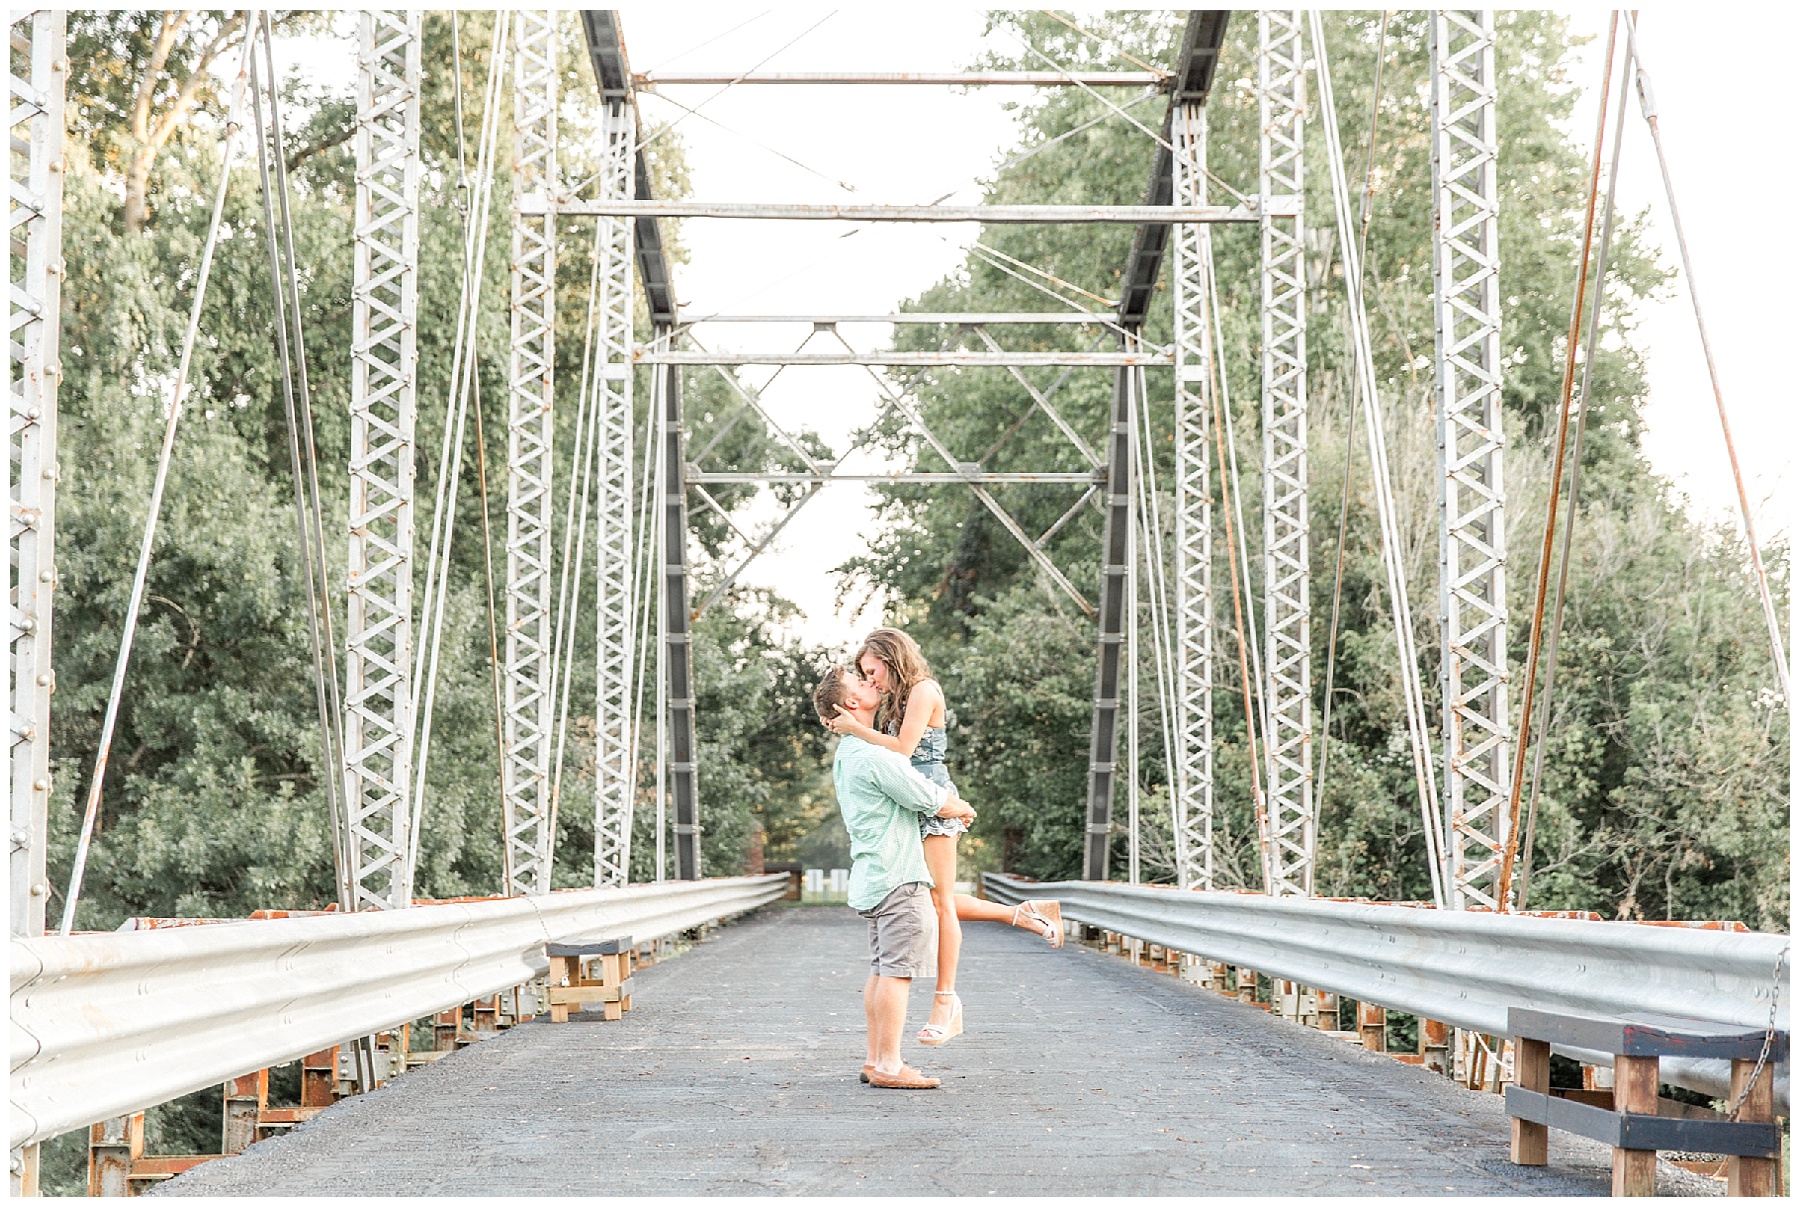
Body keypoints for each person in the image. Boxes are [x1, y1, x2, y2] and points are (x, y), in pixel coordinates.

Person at [823, 627, 1063, 1048]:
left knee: (937, 904)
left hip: (933, 802)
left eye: (872, 670)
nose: (871, 679)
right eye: (863, 674)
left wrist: (853, 729)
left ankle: (945, 1002)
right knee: (931, 900)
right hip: (910, 803)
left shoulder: (923, 690)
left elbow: (899, 749)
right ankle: (1023, 913)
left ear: (889, 656)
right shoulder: (894, 699)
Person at [813, 663, 975, 1090]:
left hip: (873, 874)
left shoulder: (848, 752)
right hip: (899, 875)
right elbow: (929, 799)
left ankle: (874, 1060)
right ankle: (889, 1064)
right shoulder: (872, 755)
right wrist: (962, 807)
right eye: (860, 682)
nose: (869, 683)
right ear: (851, 703)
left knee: (882, 970)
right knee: (897, 974)